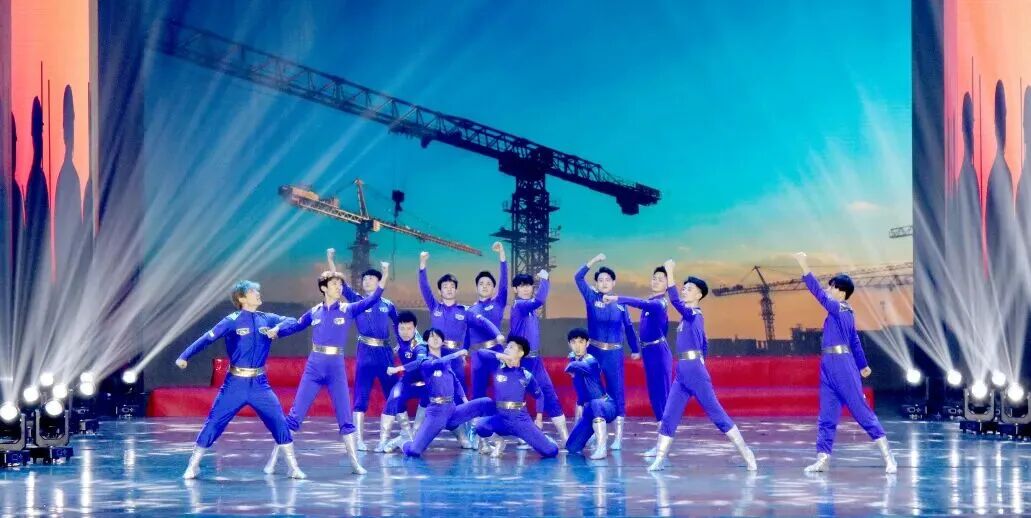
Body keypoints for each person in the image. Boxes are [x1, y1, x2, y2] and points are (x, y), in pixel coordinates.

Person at [267, 255, 390, 475]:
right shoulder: (314, 312)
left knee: (345, 416)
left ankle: (355, 463)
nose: (339, 286)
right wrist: (277, 332)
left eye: (340, 283)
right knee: (295, 416)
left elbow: (372, 300)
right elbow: (295, 326)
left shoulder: (348, 309)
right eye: (334, 283)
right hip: (314, 367)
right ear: (324, 288)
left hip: (336, 369)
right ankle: (273, 460)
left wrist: (385, 275)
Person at [175, 280, 303, 479]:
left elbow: (293, 321)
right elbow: (207, 338)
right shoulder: (231, 320)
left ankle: (292, 467)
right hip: (235, 384)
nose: (258, 294)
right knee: (214, 423)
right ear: (242, 298)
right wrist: (184, 356)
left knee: (279, 422)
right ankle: (193, 465)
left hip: (260, 385)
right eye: (253, 292)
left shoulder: (266, 318)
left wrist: (277, 328)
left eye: (257, 291)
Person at [645, 259, 756, 472]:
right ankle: (659, 458)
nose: (684, 291)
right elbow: (704, 342)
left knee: (717, 415)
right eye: (684, 288)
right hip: (682, 373)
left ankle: (746, 452)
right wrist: (702, 357)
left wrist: (670, 272)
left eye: (688, 289)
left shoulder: (693, 314)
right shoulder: (687, 319)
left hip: (695, 373)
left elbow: (675, 301)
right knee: (669, 415)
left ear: (698, 295)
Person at [793, 252, 897, 473]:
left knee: (861, 411)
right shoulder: (841, 313)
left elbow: (818, 293)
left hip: (842, 366)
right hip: (828, 366)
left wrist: (803, 264)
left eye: (831, 287)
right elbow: (855, 340)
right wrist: (863, 365)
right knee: (827, 416)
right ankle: (823, 459)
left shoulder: (840, 308)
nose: (828, 290)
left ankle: (889, 457)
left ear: (841, 291)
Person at [385, 328, 494, 457]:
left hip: (452, 411)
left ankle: (483, 442)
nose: (435, 339)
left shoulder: (447, 363)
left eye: (438, 337)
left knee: (486, 402)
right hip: (436, 413)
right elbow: (437, 363)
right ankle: (402, 442)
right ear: (426, 341)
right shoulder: (426, 363)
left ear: (443, 342)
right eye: (432, 337)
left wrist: (465, 400)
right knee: (414, 451)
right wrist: (457, 354)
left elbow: (456, 382)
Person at [605, 265, 674, 456]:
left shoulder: (659, 303)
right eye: (654, 278)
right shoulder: (651, 301)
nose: (656, 281)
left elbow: (639, 303)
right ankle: (661, 445)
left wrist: (618, 298)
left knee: (661, 398)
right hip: (650, 352)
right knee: (655, 399)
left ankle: (663, 446)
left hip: (659, 354)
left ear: (668, 284)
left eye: (661, 279)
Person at [574, 253, 639, 449]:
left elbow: (629, 328)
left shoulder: (621, 303)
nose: (604, 283)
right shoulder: (591, 297)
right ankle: (594, 433)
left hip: (614, 354)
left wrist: (635, 349)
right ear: (596, 283)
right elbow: (578, 277)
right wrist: (594, 261)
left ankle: (618, 437)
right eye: (600, 280)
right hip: (594, 352)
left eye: (607, 280)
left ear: (613, 283)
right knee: (592, 392)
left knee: (616, 391)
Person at [473, 336, 559, 458]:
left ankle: (545, 439)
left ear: (521, 353)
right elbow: (481, 352)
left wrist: (539, 418)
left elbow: (539, 396)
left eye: (511, 347)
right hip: (501, 419)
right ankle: (498, 441)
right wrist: (500, 356)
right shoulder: (497, 367)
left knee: (550, 452)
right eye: (506, 347)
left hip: (521, 421)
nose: (506, 349)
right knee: (479, 425)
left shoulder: (526, 376)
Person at [509, 269, 568, 443]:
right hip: (521, 361)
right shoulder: (519, 305)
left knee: (549, 393)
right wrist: (545, 279)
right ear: (515, 290)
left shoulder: (531, 310)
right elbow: (540, 300)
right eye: (522, 286)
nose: (526, 289)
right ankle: (522, 435)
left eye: (529, 285)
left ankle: (565, 436)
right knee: (518, 398)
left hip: (536, 361)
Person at [376, 311, 428, 451]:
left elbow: (419, 362)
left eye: (409, 329)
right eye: (402, 328)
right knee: (394, 397)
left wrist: (398, 368)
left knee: (428, 403)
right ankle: (384, 440)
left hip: (425, 384)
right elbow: (393, 315)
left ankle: (412, 436)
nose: (405, 332)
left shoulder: (419, 345)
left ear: (415, 328)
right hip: (407, 380)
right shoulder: (399, 334)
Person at [563, 328, 617, 460]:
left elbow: (572, 367)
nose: (577, 346)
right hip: (589, 409)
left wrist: (572, 362)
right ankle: (593, 432)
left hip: (605, 405)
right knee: (572, 447)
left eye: (581, 342)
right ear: (569, 344)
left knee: (595, 403)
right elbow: (580, 392)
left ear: (587, 343)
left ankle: (601, 448)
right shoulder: (574, 359)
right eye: (574, 342)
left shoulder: (590, 362)